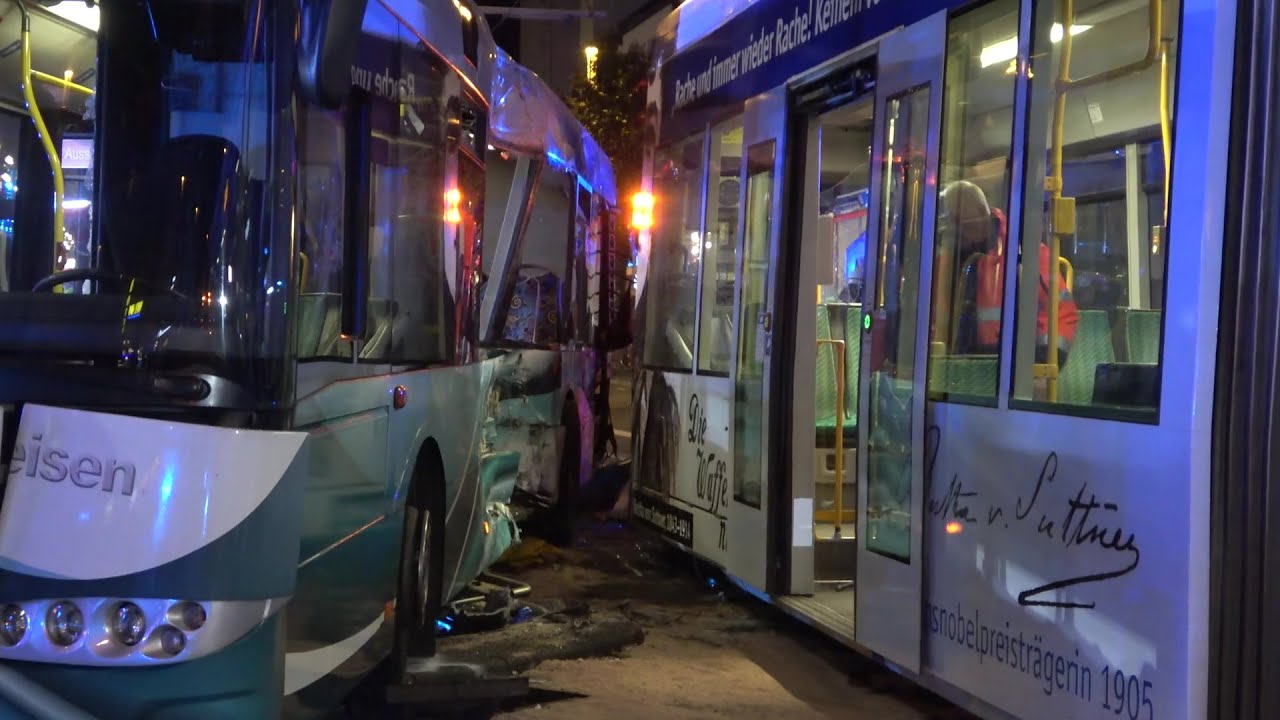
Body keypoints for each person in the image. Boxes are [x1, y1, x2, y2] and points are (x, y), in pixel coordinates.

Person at [936, 180, 1078, 368]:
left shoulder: (1023, 251)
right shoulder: (943, 261)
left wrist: (1043, 363)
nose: (960, 232)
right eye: (954, 226)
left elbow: (1061, 311)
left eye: (965, 224)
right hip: (951, 366)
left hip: (1008, 365)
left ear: (981, 212)